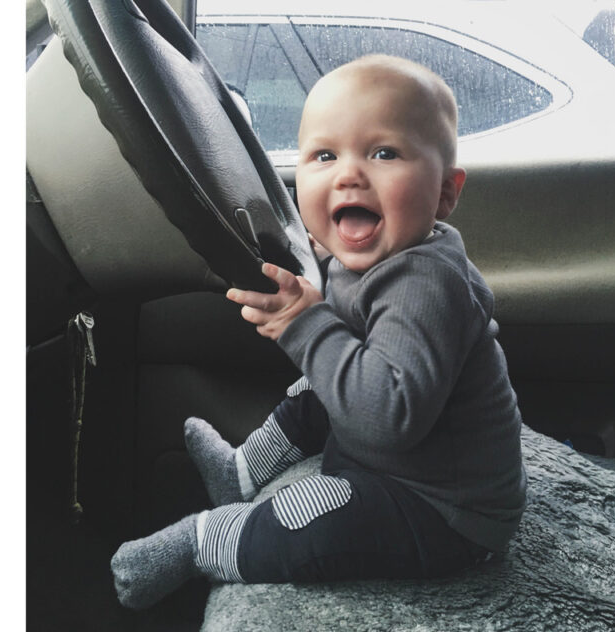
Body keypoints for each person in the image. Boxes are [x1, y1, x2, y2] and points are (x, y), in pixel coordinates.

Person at [110, 54, 527, 609]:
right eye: (324, 155)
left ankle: (200, 542)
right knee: (317, 387)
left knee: (316, 512)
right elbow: (344, 370)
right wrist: (304, 318)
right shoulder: (354, 257)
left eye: (384, 153)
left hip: (443, 508)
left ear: (446, 192)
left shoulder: (427, 284)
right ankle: (241, 471)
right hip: (390, 443)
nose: (349, 173)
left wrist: (306, 326)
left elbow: (386, 419)